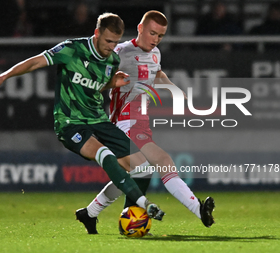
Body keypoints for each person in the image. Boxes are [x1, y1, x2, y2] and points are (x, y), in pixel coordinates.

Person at [0, 12, 165, 223]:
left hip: (99, 120)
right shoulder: (72, 49)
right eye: (108, 41)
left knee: (142, 168)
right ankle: (144, 205)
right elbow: (35, 63)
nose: (111, 46)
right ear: (96, 33)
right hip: (70, 123)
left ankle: (96, 215)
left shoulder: (113, 60)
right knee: (104, 154)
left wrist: (111, 83)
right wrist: (4, 76)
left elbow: (97, 84)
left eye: (115, 42)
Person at [75, 10, 215, 235]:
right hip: (124, 121)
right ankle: (198, 209)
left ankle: (89, 213)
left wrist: (176, 91)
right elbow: (95, 82)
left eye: (160, 36)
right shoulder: (120, 52)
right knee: (162, 161)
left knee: (137, 173)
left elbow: (157, 73)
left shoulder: (156, 53)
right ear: (140, 29)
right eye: (152, 33)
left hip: (141, 122)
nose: (156, 39)